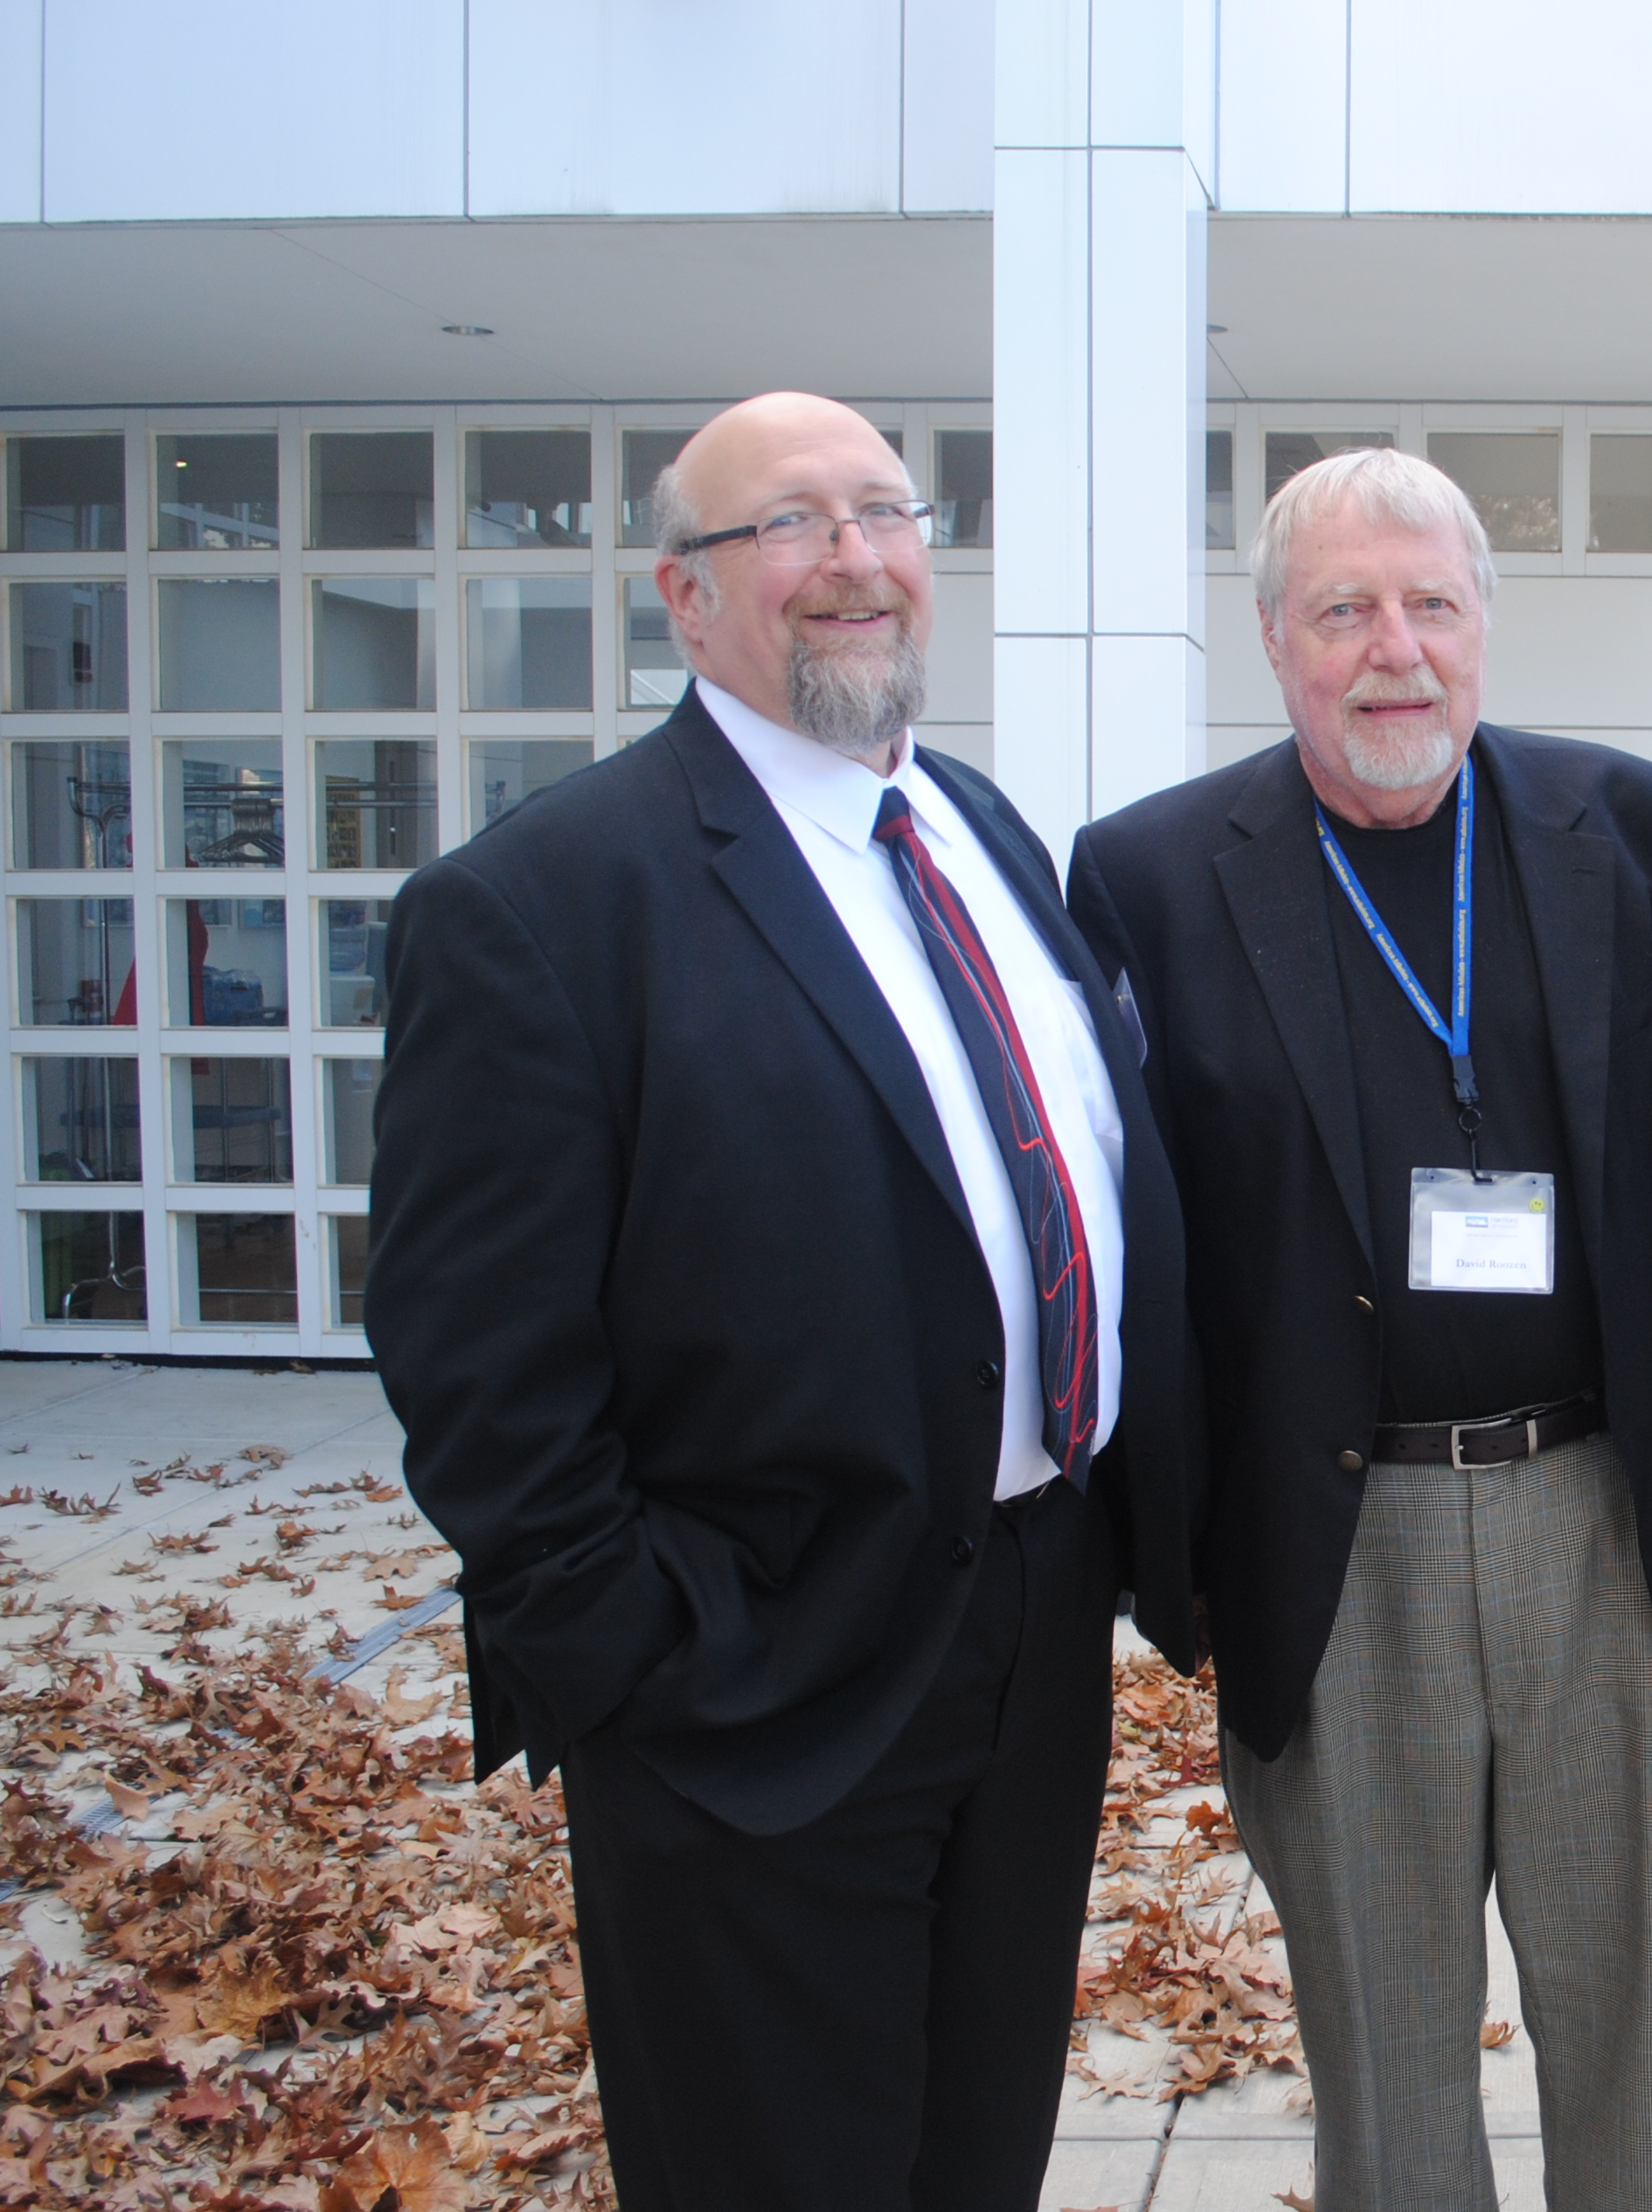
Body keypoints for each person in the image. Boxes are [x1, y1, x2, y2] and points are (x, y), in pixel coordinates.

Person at [369, 392, 1198, 2211]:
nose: (854, 561)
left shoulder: (976, 829)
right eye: (792, 526)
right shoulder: (542, 906)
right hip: (751, 1679)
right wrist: (642, 1660)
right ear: (684, 593)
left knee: (976, 2155)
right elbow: (474, 1360)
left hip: (1027, 1631)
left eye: (885, 515)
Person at [1067, 447, 1652, 2210]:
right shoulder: (1144, 877)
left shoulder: (1647, 837)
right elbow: (1128, 1244)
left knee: (1640, 2045)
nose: (1394, 651)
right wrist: (1173, 1548)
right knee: (1381, 2057)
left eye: (1431, 605)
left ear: (1485, 630)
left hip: (1611, 1517)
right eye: (1342, 610)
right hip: (1331, 1540)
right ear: (1274, 640)